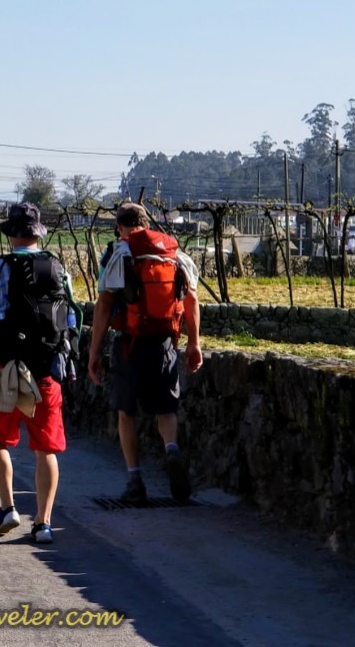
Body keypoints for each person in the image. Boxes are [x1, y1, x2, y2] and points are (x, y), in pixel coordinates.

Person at [0, 202, 71, 544]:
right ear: (38, 234)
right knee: (45, 449)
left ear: (10, 235)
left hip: (8, 370)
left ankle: (8, 507)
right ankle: (44, 523)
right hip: (44, 370)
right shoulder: (58, 269)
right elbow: (69, 321)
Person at [87, 202, 202, 505]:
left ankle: (135, 480)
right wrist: (194, 343)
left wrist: (94, 352)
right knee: (166, 409)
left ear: (118, 225)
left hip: (130, 342)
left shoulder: (117, 253)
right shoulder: (172, 253)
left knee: (127, 412)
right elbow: (191, 301)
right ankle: (172, 449)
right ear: (146, 222)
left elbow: (103, 306)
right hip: (165, 341)